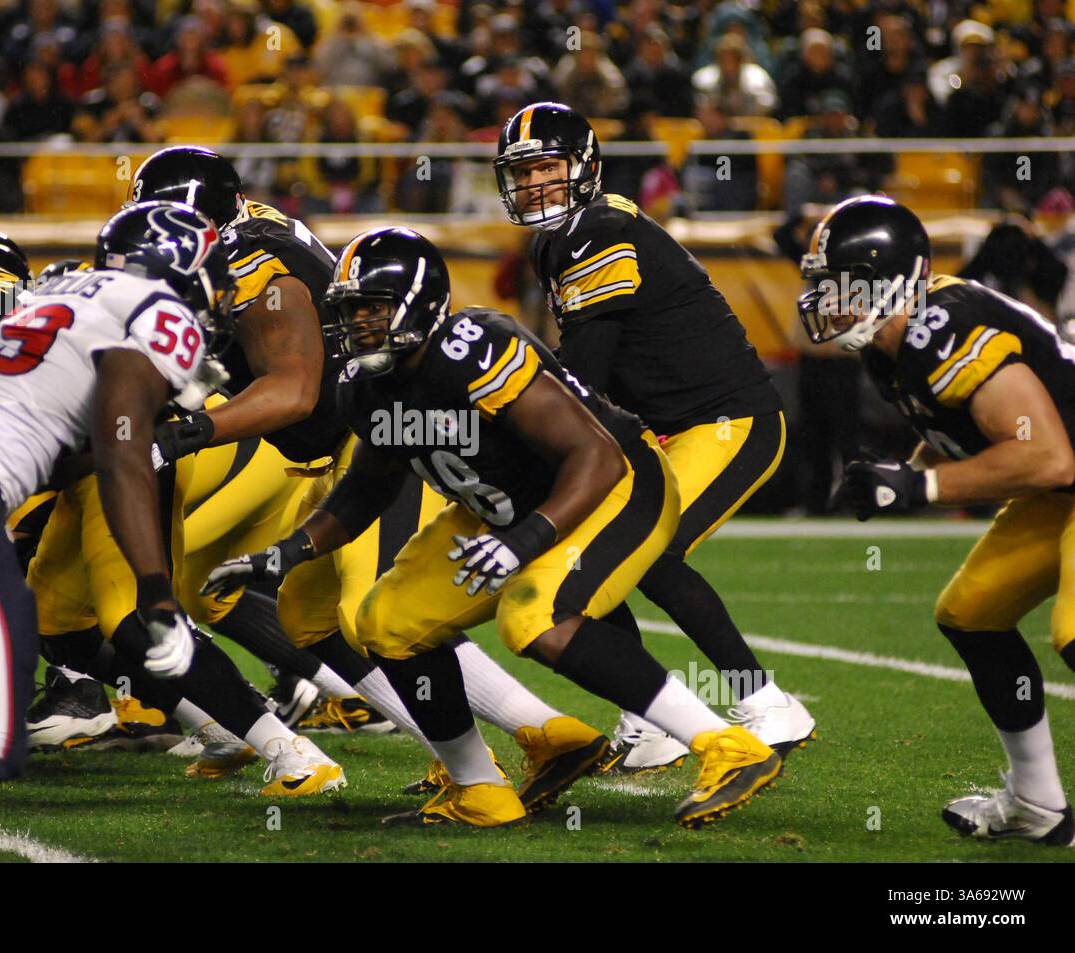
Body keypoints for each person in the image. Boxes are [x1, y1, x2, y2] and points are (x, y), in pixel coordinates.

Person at [0, 201, 341, 862]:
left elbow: (75, 435)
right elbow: (122, 448)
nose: (219, 293)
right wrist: (156, 592)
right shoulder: (153, 313)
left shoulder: (61, 287)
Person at [206, 227, 785, 829]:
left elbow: (594, 456)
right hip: (503, 507)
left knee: (535, 619)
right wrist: (287, 552)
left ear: (420, 302)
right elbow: (368, 489)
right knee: (386, 623)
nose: (359, 324)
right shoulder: (366, 385)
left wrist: (525, 542)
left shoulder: (474, 348)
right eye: (350, 311)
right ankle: (480, 789)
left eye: (372, 308)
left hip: (613, 485)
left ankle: (729, 747)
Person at [493, 102, 815, 773]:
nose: (534, 185)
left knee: (649, 548)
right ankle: (649, 716)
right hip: (671, 426)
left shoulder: (596, 233)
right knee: (595, 542)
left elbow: (585, 374)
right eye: (522, 173)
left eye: (547, 167)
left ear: (581, 166)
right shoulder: (566, 234)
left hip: (729, 420)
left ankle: (765, 701)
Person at [803, 194, 1075, 845]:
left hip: (1062, 470)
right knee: (971, 610)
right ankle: (1038, 801)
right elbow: (964, 425)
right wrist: (902, 472)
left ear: (895, 282)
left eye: (846, 286)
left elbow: (1046, 455)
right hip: (1064, 481)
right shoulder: (892, 342)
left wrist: (919, 485)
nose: (830, 300)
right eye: (824, 285)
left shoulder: (941, 330)